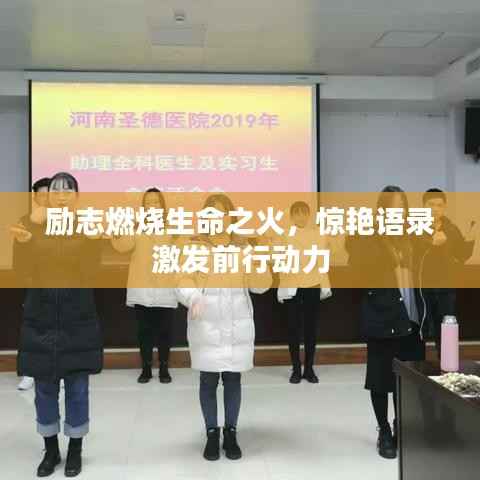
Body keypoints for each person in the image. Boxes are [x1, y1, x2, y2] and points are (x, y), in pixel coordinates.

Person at [12, 172, 103, 477]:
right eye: (55, 191)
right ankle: (50, 450)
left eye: (68, 191)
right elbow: (22, 272)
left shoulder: (86, 225)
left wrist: (94, 243)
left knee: (77, 389)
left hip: (78, 319)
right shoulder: (31, 225)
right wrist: (23, 244)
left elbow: (92, 272)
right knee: (44, 390)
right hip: (41, 318)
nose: (61, 196)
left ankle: (75, 449)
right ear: (47, 196)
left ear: (76, 197)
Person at [175, 194, 271, 462]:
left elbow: (260, 286)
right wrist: (193, 297)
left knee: (232, 379)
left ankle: (231, 433)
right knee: (208, 380)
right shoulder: (194, 245)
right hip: (206, 324)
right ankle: (211, 433)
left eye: (223, 213)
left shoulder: (243, 246)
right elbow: (182, 279)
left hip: (237, 323)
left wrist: (260, 260)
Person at [346, 186, 425, 460]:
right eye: (392, 207)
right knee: (381, 380)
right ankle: (384, 430)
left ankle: (401, 424)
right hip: (382, 317)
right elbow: (356, 271)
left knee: (406, 380)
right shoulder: (369, 237)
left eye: (402, 207)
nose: (398, 212)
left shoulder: (413, 236)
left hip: (411, 319)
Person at [112, 188, 178, 384]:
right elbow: (122, 246)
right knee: (144, 331)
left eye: (156, 202)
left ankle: (164, 367)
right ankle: (146, 368)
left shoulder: (172, 227)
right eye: (148, 202)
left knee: (165, 331)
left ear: (162, 205)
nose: (152, 206)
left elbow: (180, 252)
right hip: (141, 288)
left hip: (165, 287)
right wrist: (117, 232)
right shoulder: (137, 226)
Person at [415, 188, 475, 357]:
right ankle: (417, 364)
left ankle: (447, 362)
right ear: (423, 206)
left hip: (445, 286)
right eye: (431, 204)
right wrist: (431, 242)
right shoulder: (415, 227)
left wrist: (471, 237)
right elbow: (413, 251)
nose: (435, 208)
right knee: (421, 327)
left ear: (444, 207)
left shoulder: (451, 228)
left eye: (439, 205)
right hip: (422, 286)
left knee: (446, 327)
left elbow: (462, 255)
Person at [277, 201, 332, 384]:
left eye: (304, 213)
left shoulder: (318, 234)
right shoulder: (284, 234)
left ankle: (309, 368)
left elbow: (322, 259)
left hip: (312, 285)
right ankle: (295, 368)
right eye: (297, 213)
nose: (301, 217)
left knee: (311, 329)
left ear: (308, 216)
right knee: (293, 329)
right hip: (292, 287)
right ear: (292, 216)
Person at [15, 177, 50, 391]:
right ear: (35, 197)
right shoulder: (25, 221)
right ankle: (29, 373)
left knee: (58, 330)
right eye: (42, 195)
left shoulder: (65, 221)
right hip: (34, 284)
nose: (46, 198)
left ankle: (59, 374)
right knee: (32, 329)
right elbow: (18, 256)